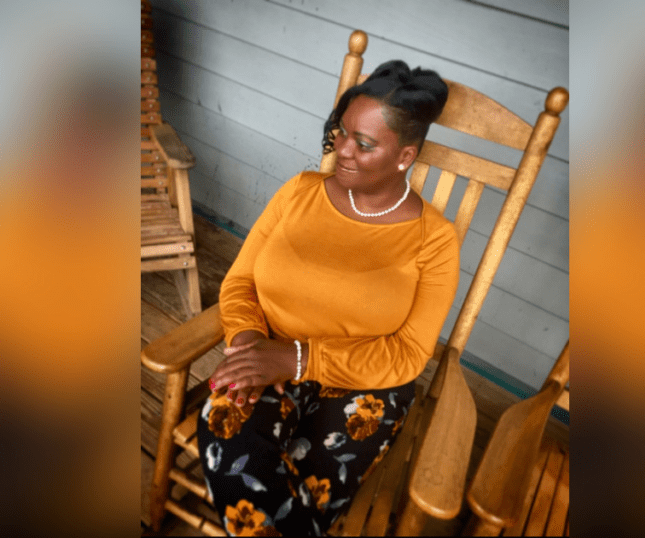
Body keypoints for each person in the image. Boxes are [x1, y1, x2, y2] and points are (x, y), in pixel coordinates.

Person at [197, 60, 459, 536]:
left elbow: (408, 354)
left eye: (364, 143)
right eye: (341, 133)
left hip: (366, 385)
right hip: (267, 350)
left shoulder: (435, 240)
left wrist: (297, 359)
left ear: (405, 156)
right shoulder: (298, 192)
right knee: (229, 431)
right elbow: (239, 282)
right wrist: (250, 345)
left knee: (306, 490)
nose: (342, 149)